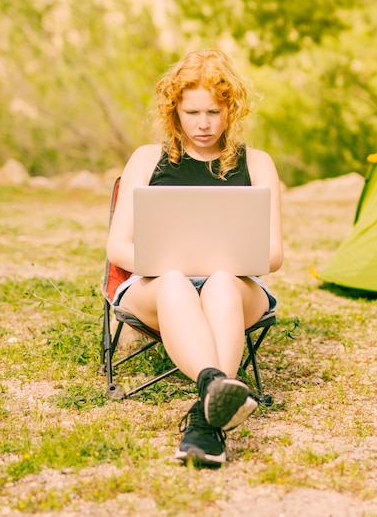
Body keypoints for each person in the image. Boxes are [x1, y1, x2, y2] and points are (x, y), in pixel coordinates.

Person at [106, 48, 284, 467]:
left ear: (232, 111)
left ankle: (206, 410)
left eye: (214, 112)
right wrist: (175, 267)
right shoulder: (148, 160)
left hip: (235, 287)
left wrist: (221, 264)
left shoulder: (257, 164)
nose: (203, 124)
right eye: (192, 112)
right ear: (175, 112)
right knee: (173, 280)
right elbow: (118, 247)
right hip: (156, 286)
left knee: (221, 280)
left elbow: (273, 254)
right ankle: (215, 396)